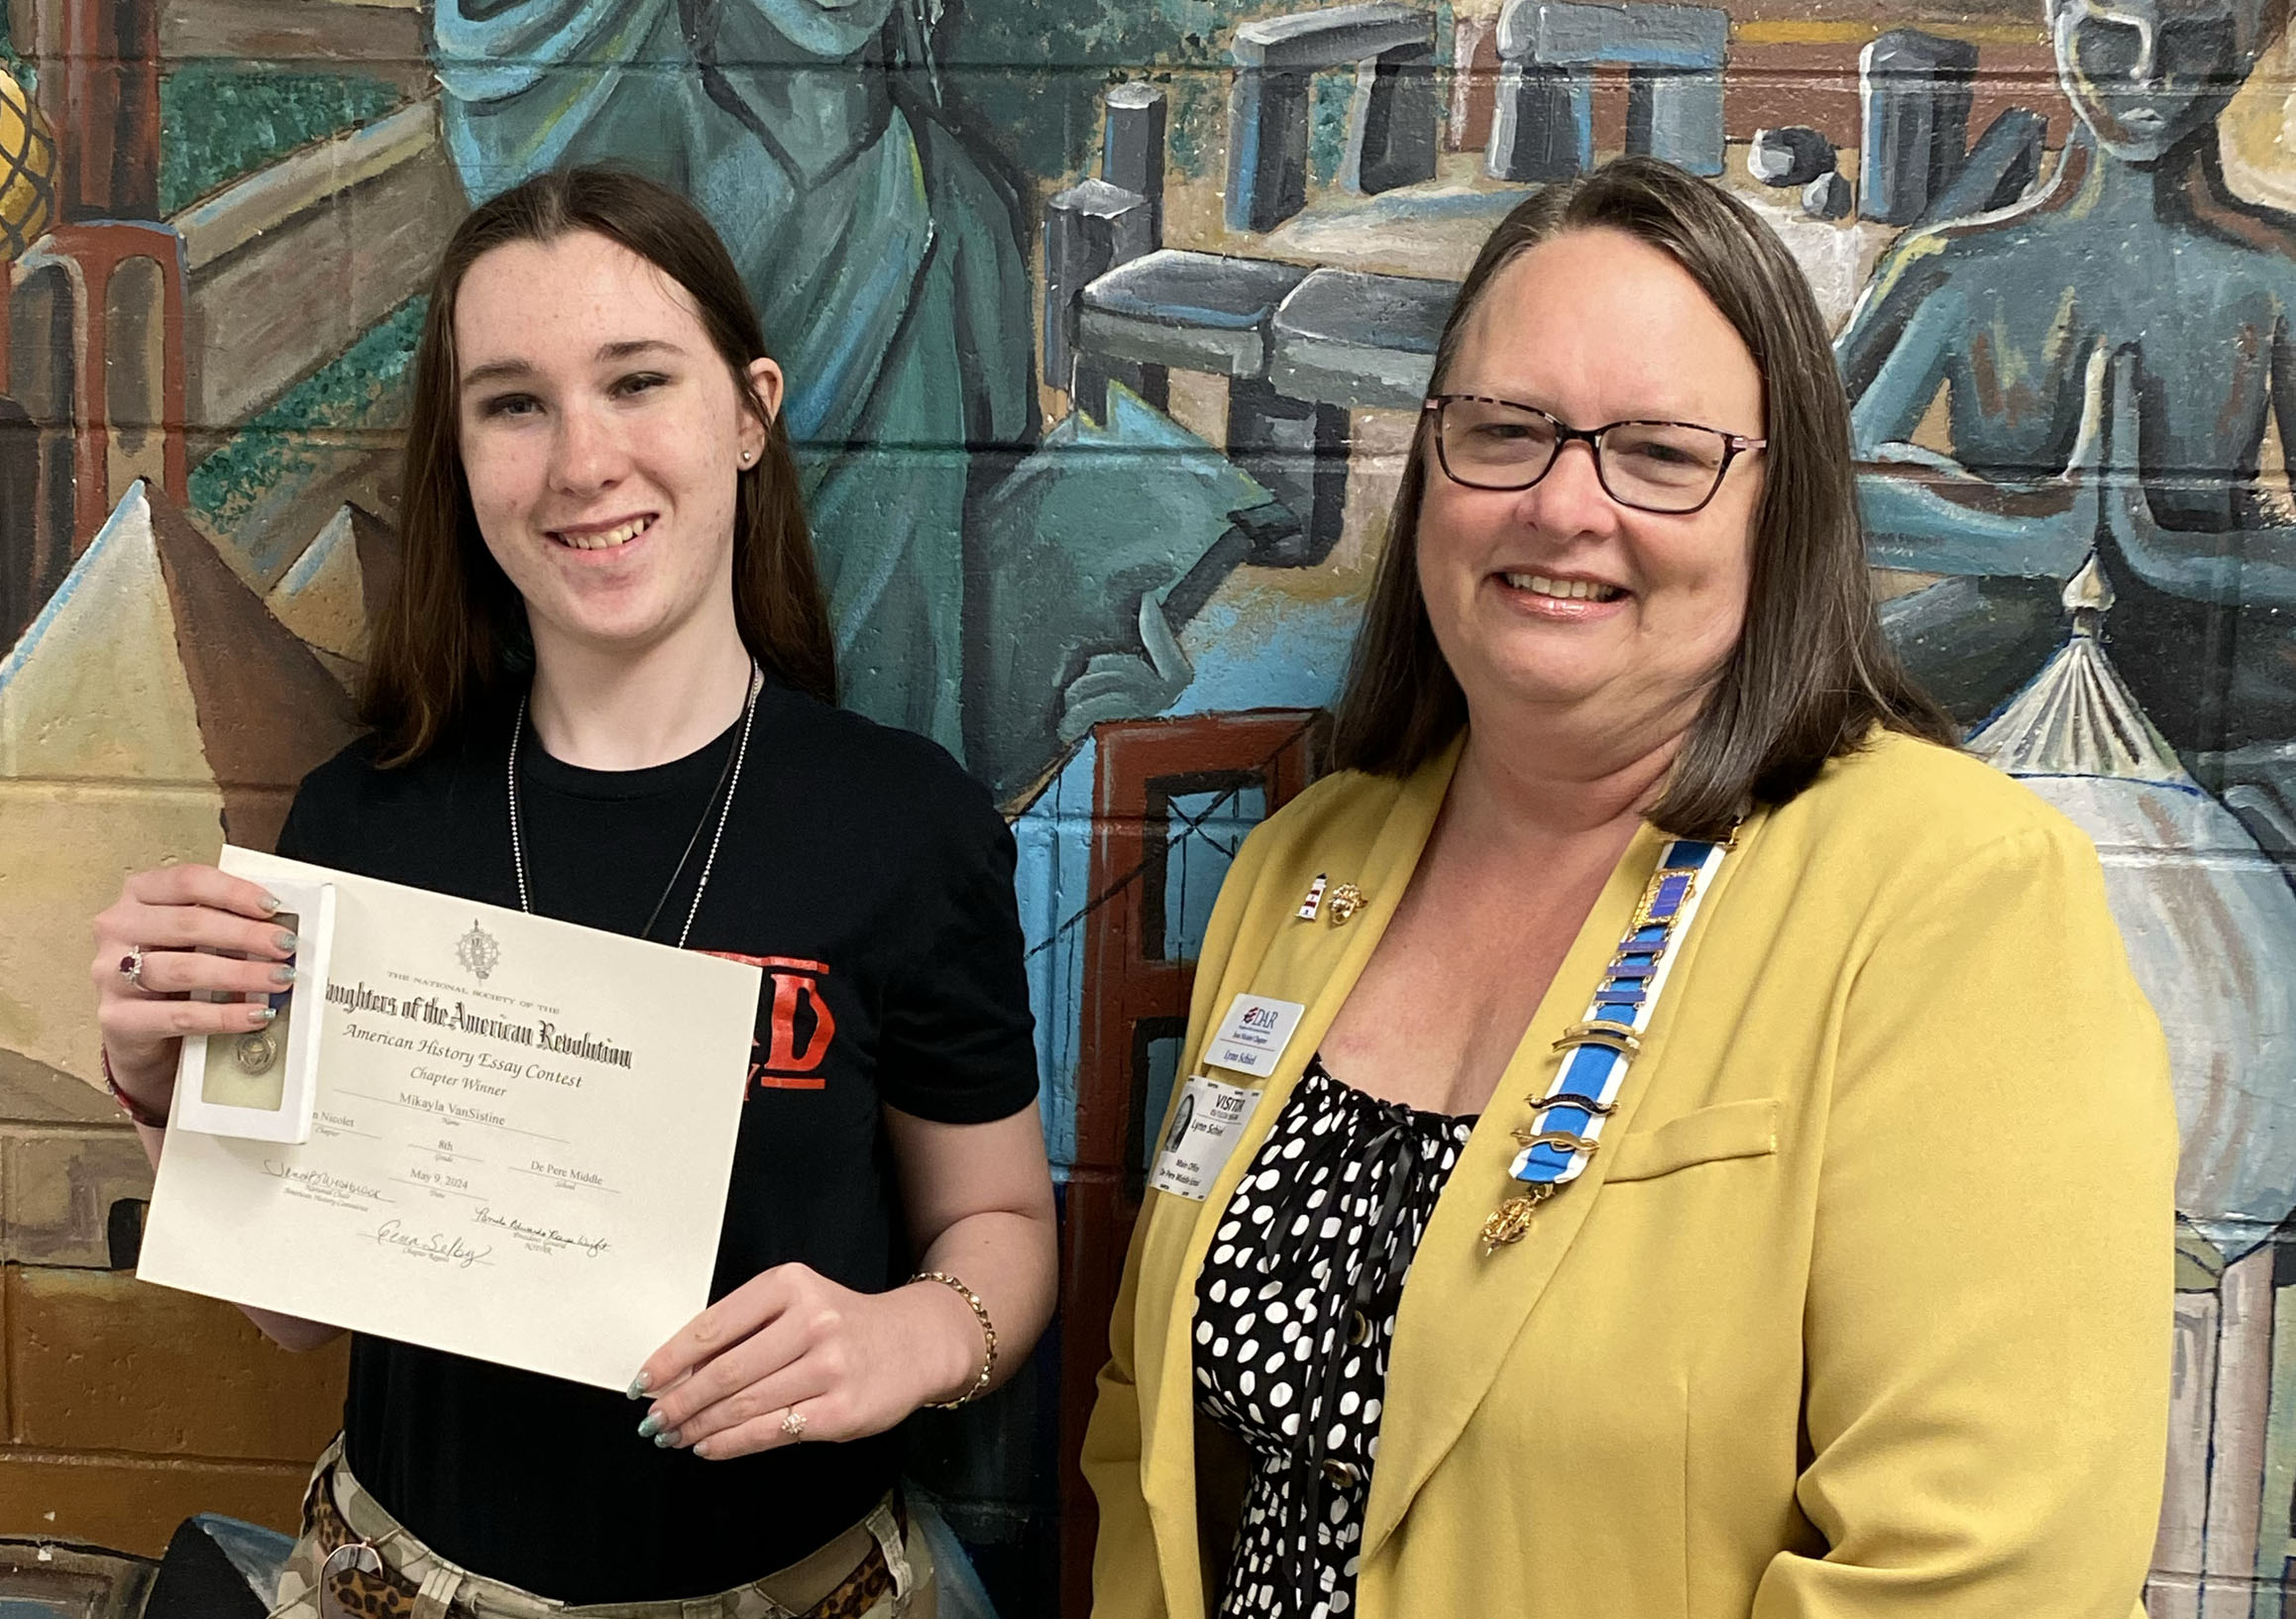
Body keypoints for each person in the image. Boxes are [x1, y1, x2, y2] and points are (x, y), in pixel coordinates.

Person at [1081, 157, 2177, 1619]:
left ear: (1774, 509)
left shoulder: (1950, 896)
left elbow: (1979, 1574)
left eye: (1658, 452)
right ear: (1433, 464)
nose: (1560, 502)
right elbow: (1144, 1415)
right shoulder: (1305, 864)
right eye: (1505, 428)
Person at [87, 165, 1056, 1618]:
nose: (580, 460)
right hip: (399, 1586)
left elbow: (1002, 1223)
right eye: (513, 403)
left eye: (636, 381)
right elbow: (291, 1312)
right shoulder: (364, 820)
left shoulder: (904, 824)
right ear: (461, 454)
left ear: (748, 411)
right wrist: (163, 1082)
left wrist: (918, 1334)